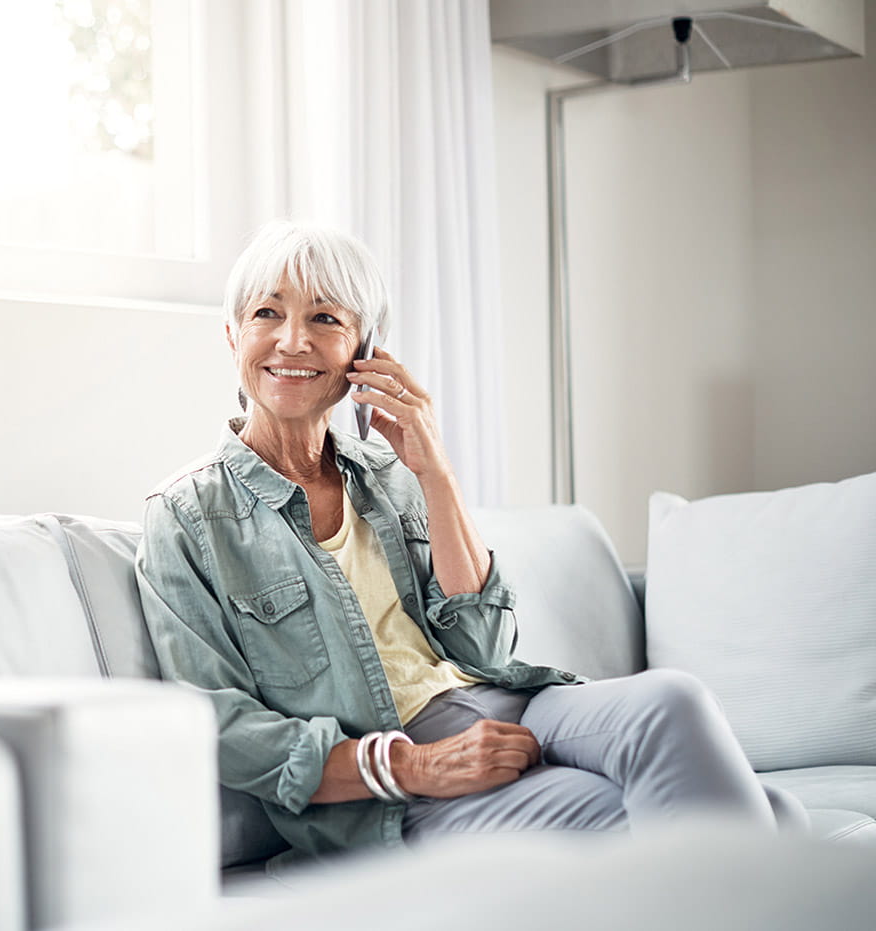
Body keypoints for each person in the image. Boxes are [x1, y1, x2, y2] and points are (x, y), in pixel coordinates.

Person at [135, 219, 801, 865]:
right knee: (739, 817)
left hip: (508, 706)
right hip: (394, 788)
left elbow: (483, 647)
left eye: (325, 319)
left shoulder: (386, 476)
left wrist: (436, 472)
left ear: (364, 353)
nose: (292, 340)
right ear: (232, 334)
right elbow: (220, 727)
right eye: (267, 313)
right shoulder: (187, 516)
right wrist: (416, 763)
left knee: (674, 701)